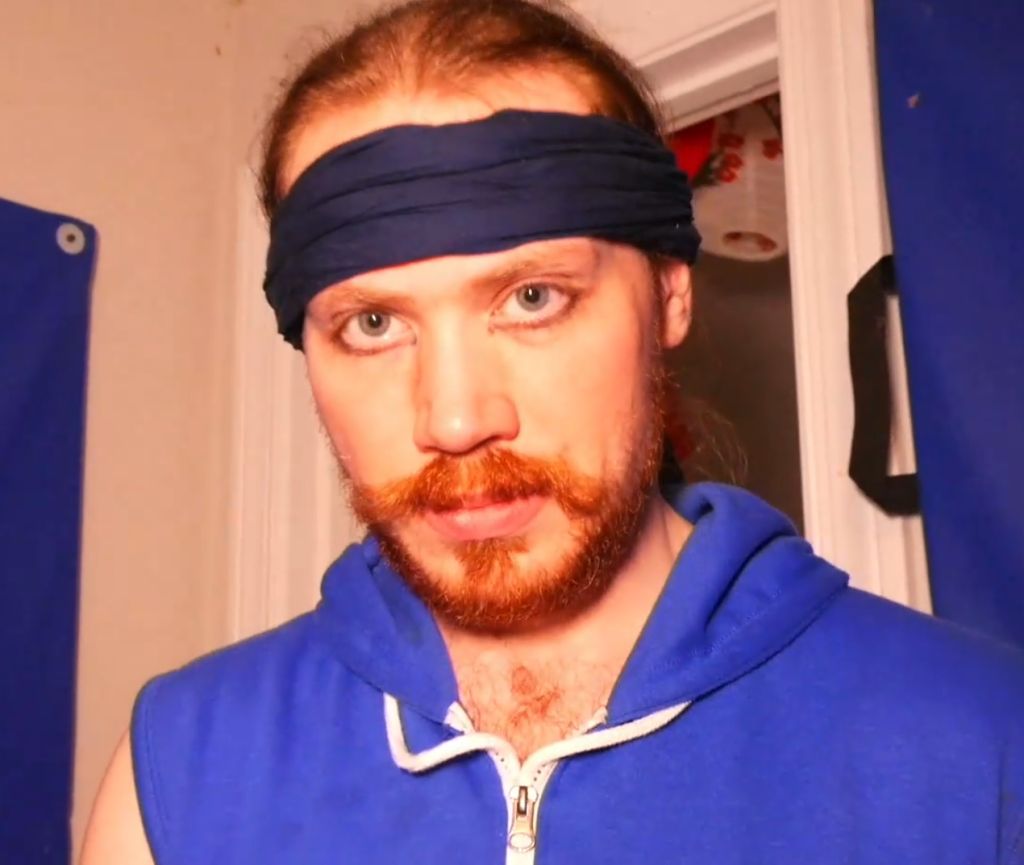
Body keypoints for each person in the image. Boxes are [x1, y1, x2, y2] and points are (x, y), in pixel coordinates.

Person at [82, 1, 1024, 863]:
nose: (456, 419)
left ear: (670, 295)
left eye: (532, 298)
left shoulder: (982, 750)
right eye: (373, 324)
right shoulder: (179, 774)